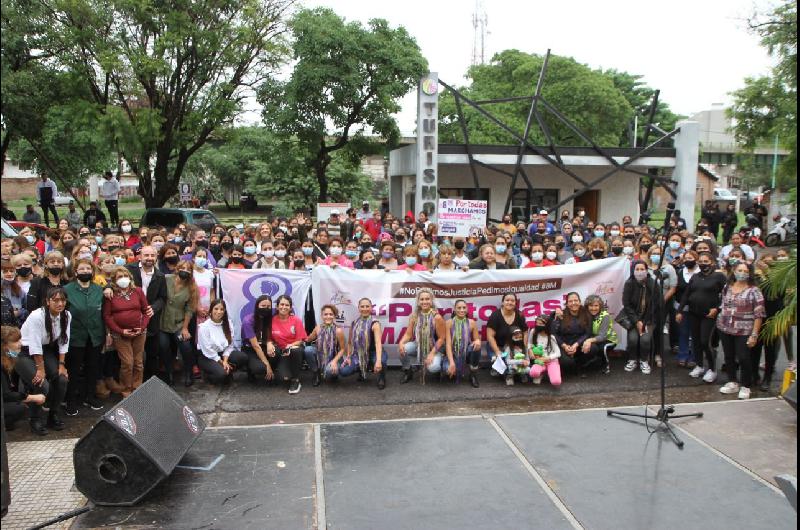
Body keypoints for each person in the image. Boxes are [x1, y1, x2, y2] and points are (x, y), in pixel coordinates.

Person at [20, 286, 71, 434]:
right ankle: (34, 419)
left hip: (45, 350)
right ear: (48, 301)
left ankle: (53, 414)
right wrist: (40, 369)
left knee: (62, 379)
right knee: (42, 383)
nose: (60, 303)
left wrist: (62, 365)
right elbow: (34, 344)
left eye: (62, 300)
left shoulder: (66, 315)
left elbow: (64, 341)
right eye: (55, 300)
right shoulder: (37, 315)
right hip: (25, 352)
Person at [716, 262, 765, 400]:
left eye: (745, 271)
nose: (742, 273)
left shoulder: (754, 290)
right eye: (739, 270)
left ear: (750, 273)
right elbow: (723, 304)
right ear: (734, 270)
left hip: (744, 330)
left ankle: (746, 385)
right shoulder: (727, 287)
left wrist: (754, 335)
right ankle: (732, 381)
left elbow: (759, 314)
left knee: (743, 357)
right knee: (729, 356)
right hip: (725, 327)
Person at [63, 258, 105, 415]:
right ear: (75, 272)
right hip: (75, 335)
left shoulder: (99, 289)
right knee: (73, 369)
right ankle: (71, 400)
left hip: (95, 335)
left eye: (88, 268)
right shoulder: (67, 289)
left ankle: (89, 396)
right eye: (82, 269)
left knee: (93, 367)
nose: (85, 271)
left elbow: (104, 313)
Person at [677, 251, 727, 383]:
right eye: (701, 261)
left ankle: (712, 369)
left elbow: (726, 296)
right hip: (694, 313)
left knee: (705, 342)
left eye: (706, 261)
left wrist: (717, 308)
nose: (703, 264)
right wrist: (679, 310)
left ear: (712, 262)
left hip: (709, 315)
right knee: (695, 341)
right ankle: (699, 365)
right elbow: (686, 295)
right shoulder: (695, 276)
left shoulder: (719, 277)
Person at [102, 266, 150, 397]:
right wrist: (120, 331)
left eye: (125, 276)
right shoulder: (111, 294)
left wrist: (143, 327)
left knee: (138, 362)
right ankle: (126, 388)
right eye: (119, 277)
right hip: (120, 334)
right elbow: (107, 316)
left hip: (140, 333)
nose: (123, 279)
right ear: (114, 280)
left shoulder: (138, 291)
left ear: (130, 278)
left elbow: (146, 311)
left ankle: (137, 387)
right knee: (128, 363)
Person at [126, 246, 167, 381]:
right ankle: (131, 381)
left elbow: (162, 297)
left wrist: (154, 308)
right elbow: (114, 280)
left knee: (152, 352)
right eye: (146, 255)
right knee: (131, 354)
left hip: (151, 320)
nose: (149, 258)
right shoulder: (129, 269)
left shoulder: (160, 276)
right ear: (140, 256)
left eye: (152, 255)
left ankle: (150, 381)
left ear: (156, 258)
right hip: (131, 317)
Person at [2, 325, 48, 432]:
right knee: (20, 408)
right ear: (4, 345)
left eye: (20, 339)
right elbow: (5, 395)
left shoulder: (8, 355)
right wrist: (32, 397)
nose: (20, 343)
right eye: (16, 341)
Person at [159, 260, 197, 386]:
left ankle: (188, 372)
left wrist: (185, 328)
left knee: (185, 346)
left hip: (179, 323)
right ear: (177, 268)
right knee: (163, 346)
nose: (185, 271)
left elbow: (190, 310)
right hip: (163, 321)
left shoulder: (192, 287)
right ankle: (168, 373)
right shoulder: (166, 279)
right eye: (183, 268)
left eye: (188, 269)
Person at [397, 288, 446, 383]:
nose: (424, 302)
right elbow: (408, 334)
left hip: (434, 347)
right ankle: (408, 370)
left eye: (427, 299)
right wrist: (401, 343)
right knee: (401, 349)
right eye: (422, 299)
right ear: (418, 302)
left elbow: (441, 339)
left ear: (431, 301)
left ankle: (439, 367)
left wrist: (432, 354)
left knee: (433, 367)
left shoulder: (437, 317)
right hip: (418, 344)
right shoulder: (414, 316)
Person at [196, 299, 249, 384]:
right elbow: (208, 350)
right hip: (207, 356)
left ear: (224, 311)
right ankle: (208, 375)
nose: (219, 312)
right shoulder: (204, 327)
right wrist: (221, 362)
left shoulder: (228, 324)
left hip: (222, 353)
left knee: (243, 357)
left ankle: (227, 371)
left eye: (222, 309)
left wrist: (224, 361)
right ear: (211, 311)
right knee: (221, 374)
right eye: (216, 309)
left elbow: (229, 346)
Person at [622, 261, 659, 375]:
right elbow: (626, 305)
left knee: (645, 340)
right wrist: (636, 321)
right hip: (633, 318)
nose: (639, 272)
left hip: (649, 319)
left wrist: (645, 322)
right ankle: (632, 359)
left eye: (642, 269)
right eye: (637, 269)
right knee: (633, 339)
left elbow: (657, 303)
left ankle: (644, 360)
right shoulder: (629, 283)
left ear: (647, 270)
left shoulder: (653, 283)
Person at [486, 293, 528, 382]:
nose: (510, 302)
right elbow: (490, 336)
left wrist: (523, 347)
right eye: (507, 300)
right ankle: (498, 367)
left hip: (514, 348)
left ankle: (517, 371)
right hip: (498, 347)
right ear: (502, 302)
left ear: (515, 303)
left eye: (512, 301)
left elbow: (525, 332)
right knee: (505, 369)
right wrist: (497, 352)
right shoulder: (495, 316)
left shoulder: (520, 315)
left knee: (520, 363)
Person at [303, 304, 349, 385]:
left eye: (331, 314)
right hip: (320, 354)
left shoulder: (338, 331)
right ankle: (316, 373)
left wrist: (334, 361)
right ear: (322, 316)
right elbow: (308, 339)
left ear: (334, 316)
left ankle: (333, 373)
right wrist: (301, 336)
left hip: (334, 357)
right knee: (308, 350)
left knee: (329, 372)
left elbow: (342, 349)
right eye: (325, 314)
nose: (328, 316)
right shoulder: (318, 328)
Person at [269, 295, 306, 394]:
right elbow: (269, 339)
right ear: (277, 307)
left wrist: (290, 346)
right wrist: (270, 343)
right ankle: (274, 372)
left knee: (295, 350)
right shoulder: (272, 321)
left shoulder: (296, 320)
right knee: (284, 378)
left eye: (287, 305)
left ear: (290, 308)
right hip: (281, 351)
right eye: (281, 304)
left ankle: (296, 380)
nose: (284, 307)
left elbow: (300, 340)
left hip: (294, 349)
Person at [347, 297, 387, 389]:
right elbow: (349, 343)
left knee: (382, 361)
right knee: (344, 371)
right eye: (362, 306)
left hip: (373, 352)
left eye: (367, 306)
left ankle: (381, 378)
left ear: (371, 308)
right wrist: (348, 356)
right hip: (359, 353)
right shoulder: (353, 323)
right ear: (359, 308)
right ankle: (361, 371)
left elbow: (378, 343)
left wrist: (378, 361)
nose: (365, 309)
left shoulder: (375, 323)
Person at [552, 292, 595, 374]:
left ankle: (580, 362)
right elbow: (554, 334)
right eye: (570, 301)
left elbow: (587, 333)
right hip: (564, 346)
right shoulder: (560, 314)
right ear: (567, 304)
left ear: (579, 302)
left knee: (593, 348)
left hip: (578, 345)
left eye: (576, 300)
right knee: (567, 364)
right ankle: (572, 363)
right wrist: (564, 346)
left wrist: (576, 344)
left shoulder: (587, 314)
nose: (573, 303)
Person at [444, 299, 482, 387]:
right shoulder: (449, 323)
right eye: (459, 308)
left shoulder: (472, 323)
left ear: (467, 309)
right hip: (453, 353)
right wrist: (452, 362)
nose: (462, 310)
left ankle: (473, 373)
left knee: (477, 346)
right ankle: (455, 368)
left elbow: (477, 339)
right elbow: (448, 344)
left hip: (466, 351)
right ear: (454, 309)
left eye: (464, 307)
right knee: (447, 370)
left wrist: (477, 341)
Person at [674, 250, 700, 367]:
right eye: (686, 258)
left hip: (696, 308)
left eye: (691, 258)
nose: (688, 260)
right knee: (683, 332)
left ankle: (694, 357)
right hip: (681, 307)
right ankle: (682, 355)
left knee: (695, 334)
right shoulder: (680, 272)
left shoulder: (700, 273)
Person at [583, 294, 616, 374]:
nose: (593, 308)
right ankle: (595, 360)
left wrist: (589, 340)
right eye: (591, 305)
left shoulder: (605, 316)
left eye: (596, 305)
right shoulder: (586, 314)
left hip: (608, 339)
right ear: (587, 306)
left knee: (602, 348)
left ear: (600, 306)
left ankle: (606, 365)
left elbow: (602, 336)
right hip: (595, 338)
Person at [527, 314, 562, 386]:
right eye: (537, 323)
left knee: (556, 382)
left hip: (551, 360)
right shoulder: (533, 331)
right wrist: (530, 350)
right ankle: (542, 372)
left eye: (541, 324)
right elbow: (529, 343)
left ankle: (550, 371)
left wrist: (547, 358)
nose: (538, 325)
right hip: (539, 360)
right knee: (533, 373)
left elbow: (558, 353)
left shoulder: (551, 337)